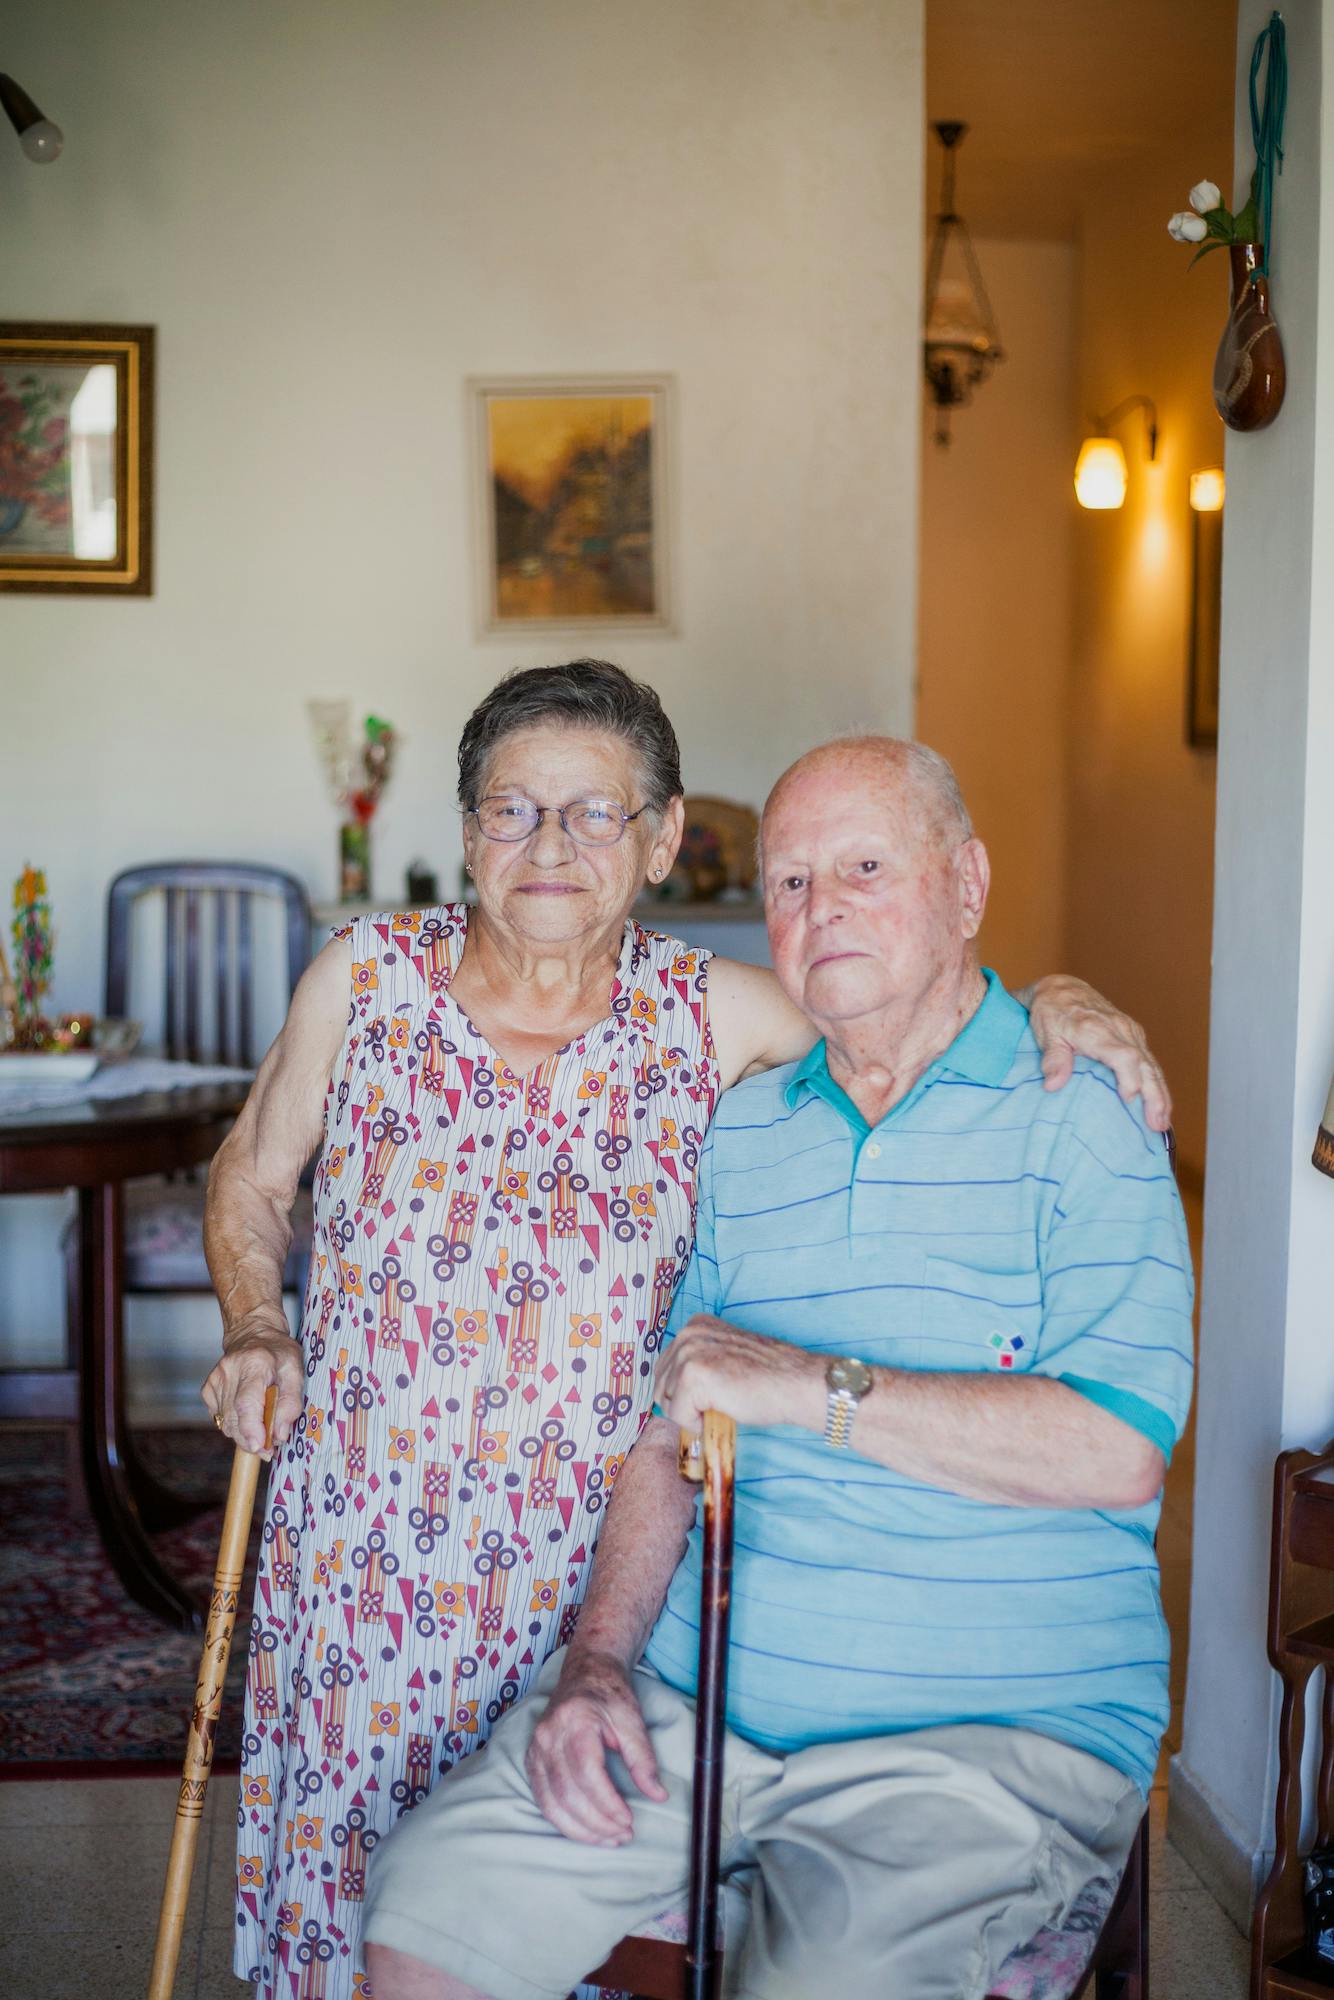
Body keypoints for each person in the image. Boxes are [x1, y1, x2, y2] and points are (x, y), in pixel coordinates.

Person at [202, 668, 1170, 2000]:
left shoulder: (715, 1021)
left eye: (594, 812)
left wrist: (1057, 999)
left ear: (659, 843)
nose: (548, 845)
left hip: (588, 1570)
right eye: (510, 808)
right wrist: (258, 1325)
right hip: (382, 1564)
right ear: (468, 829)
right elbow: (251, 1172)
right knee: (386, 1898)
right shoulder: (365, 979)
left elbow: (907, 1012)